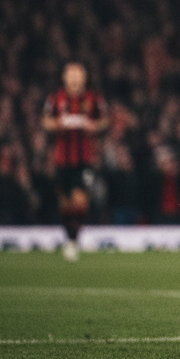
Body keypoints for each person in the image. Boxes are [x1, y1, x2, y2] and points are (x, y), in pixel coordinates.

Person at [41, 62, 109, 261]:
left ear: (84, 77)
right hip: (62, 160)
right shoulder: (55, 98)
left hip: (85, 159)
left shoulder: (93, 98)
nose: (74, 77)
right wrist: (56, 124)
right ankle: (70, 238)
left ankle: (73, 240)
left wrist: (94, 125)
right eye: (70, 74)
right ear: (64, 77)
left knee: (80, 200)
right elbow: (45, 121)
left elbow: (105, 120)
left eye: (78, 74)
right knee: (65, 204)